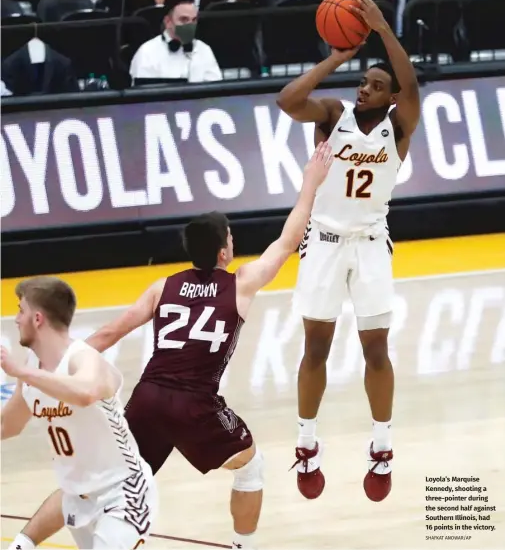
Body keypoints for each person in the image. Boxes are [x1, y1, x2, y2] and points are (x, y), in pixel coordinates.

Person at [4, 142, 334, 550]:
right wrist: (310, 184)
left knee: (93, 482)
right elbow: (288, 239)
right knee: (252, 469)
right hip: (195, 403)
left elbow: (108, 334)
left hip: (148, 397)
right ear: (224, 251)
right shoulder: (241, 282)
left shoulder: (163, 287)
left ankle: (22, 541)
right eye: (230, 237)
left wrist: (56, 368)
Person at [276, 0, 421, 503]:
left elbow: (411, 84)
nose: (364, 89)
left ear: (391, 97)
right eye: (363, 81)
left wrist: (382, 28)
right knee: (316, 348)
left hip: (370, 243)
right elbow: (287, 101)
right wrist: (337, 56)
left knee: (375, 349)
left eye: (376, 85)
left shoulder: (399, 127)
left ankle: (381, 446)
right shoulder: (331, 114)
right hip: (325, 241)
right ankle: (306, 443)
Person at [0, 277, 158, 549]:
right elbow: (8, 425)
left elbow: (85, 392)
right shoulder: (33, 367)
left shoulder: (83, 357)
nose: (16, 319)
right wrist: (25, 374)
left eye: (20, 310)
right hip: (77, 499)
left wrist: (22, 373)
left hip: (125, 492)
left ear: (37, 319)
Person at [129, 0, 222, 84]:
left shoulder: (204, 50)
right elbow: (143, 95)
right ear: (168, 22)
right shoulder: (147, 52)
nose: (190, 25)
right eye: (184, 19)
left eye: (193, 20)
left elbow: (215, 91)